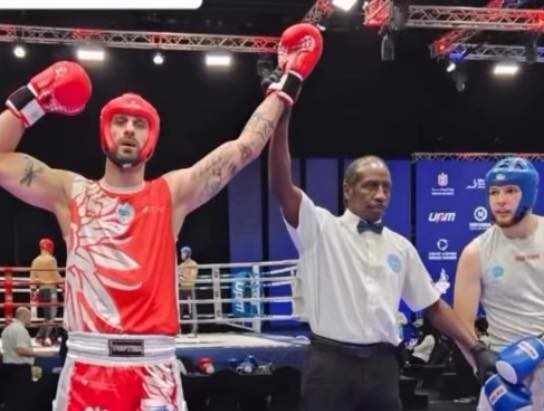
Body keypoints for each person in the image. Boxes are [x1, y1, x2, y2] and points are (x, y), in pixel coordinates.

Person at [0, 22, 323, 411]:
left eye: (140, 124)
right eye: (120, 120)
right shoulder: (72, 193)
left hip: (154, 370)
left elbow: (246, 147)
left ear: (151, 139)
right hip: (88, 366)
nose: (129, 130)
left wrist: (291, 79)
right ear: (104, 131)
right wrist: (33, 97)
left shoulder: (171, 193)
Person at [267, 112, 497, 411]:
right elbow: (282, 185)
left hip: (383, 367)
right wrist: (282, 117)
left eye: (386, 187)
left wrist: (476, 347)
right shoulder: (320, 229)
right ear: (347, 191)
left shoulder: (400, 247)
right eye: (370, 186)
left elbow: (434, 306)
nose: (380, 195)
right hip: (331, 367)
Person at [454, 156, 544, 410]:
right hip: (503, 370)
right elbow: (462, 326)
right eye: (494, 192)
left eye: (510, 191)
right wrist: (484, 372)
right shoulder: (475, 252)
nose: (500, 200)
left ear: (528, 193)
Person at [1, 307, 51, 411]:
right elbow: (21, 350)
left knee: (12, 399)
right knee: (22, 399)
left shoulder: (7, 329)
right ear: (24, 316)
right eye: (29, 317)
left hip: (7, 368)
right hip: (20, 370)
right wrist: (41, 354)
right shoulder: (20, 330)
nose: (30, 320)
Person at [30, 237, 63, 346]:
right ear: (49, 247)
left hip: (41, 290)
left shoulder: (35, 260)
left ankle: (53, 337)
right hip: (51, 290)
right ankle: (41, 337)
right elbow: (56, 276)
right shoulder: (51, 259)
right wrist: (64, 286)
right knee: (51, 316)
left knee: (47, 315)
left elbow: (32, 279)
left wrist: (33, 292)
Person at [178, 245, 198, 334]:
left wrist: (183, 277)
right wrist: (181, 278)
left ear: (187, 254)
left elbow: (192, 277)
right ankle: (178, 330)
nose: (181, 255)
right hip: (181, 289)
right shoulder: (181, 265)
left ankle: (193, 330)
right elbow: (178, 277)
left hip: (189, 289)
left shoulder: (193, 264)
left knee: (191, 310)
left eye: (182, 253)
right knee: (180, 310)